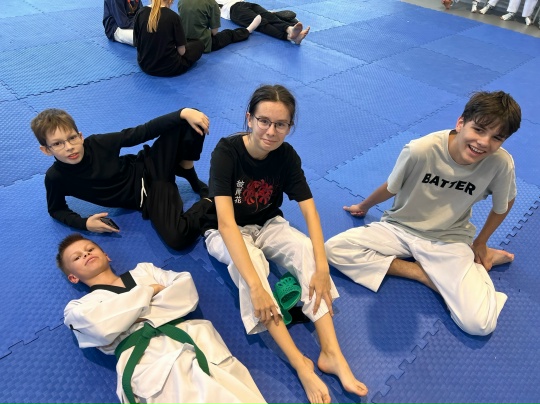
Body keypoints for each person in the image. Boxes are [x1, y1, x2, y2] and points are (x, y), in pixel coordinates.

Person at [203, 85, 368, 404]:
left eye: (280, 124)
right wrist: (256, 286)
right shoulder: (227, 152)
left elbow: (310, 211)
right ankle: (299, 364)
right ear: (249, 119)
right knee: (252, 270)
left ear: (290, 126)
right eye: (264, 121)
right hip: (225, 230)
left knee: (306, 250)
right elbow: (225, 222)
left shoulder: (286, 156)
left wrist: (322, 267)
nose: (271, 131)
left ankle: (331, 353)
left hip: (268, 222)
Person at [325, 91, 521, 337]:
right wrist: (364, 205)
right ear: (460, 123)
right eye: (479, 130)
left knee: (479, 325)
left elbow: (505, 202)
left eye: (496, 137)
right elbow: (392, 186)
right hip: (399, 228)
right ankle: (425, 275)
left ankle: (479, 259)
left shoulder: (500, 164)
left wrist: (481, 242)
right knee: (334, 249)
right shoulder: (421, 150)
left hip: (448, 238)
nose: (483, 142)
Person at [59, 234, 267, 404]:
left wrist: (124, 319)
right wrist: (150, 291)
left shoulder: (144, 270)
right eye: (77, 257)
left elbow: (185, 291)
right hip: (146, 363)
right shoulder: (77, 309)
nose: (86, 254)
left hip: (194, 340)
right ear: (73, 277)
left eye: (90, 249)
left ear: (106, 255)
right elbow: (98, 327)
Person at [31, 107, 212, 251]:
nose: (69, 147)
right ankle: (210, 200)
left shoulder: (98, 143)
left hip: (151, 165)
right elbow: (56, 209)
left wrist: (183, 112)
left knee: (191, 119)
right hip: (149, 195)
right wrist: (85, 223)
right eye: (57, 144)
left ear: (80, 136)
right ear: (46, 150)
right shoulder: (56, 177)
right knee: (177, 238)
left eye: (72, 138)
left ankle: (186, 168)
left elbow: (142, 132)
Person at [133, 0, 204, 77]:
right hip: (169, 68)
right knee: (198, 44)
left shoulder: (140, 12)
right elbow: (182, 52)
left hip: (144, 65)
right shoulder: (173, 16)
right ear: (170, 1)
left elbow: (137, 43)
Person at [177, 0, 262, 53]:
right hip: (204, 43)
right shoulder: (211, 3)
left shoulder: (181, 1)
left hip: (183, 42)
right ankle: (248, 30)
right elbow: (215, 32)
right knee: (228, 33)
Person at [217, 0, 310, 45]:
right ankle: (289, 37)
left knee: (269, 16)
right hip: (233, 11)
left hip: (244, 3)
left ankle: (289, 29)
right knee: (262, 24)